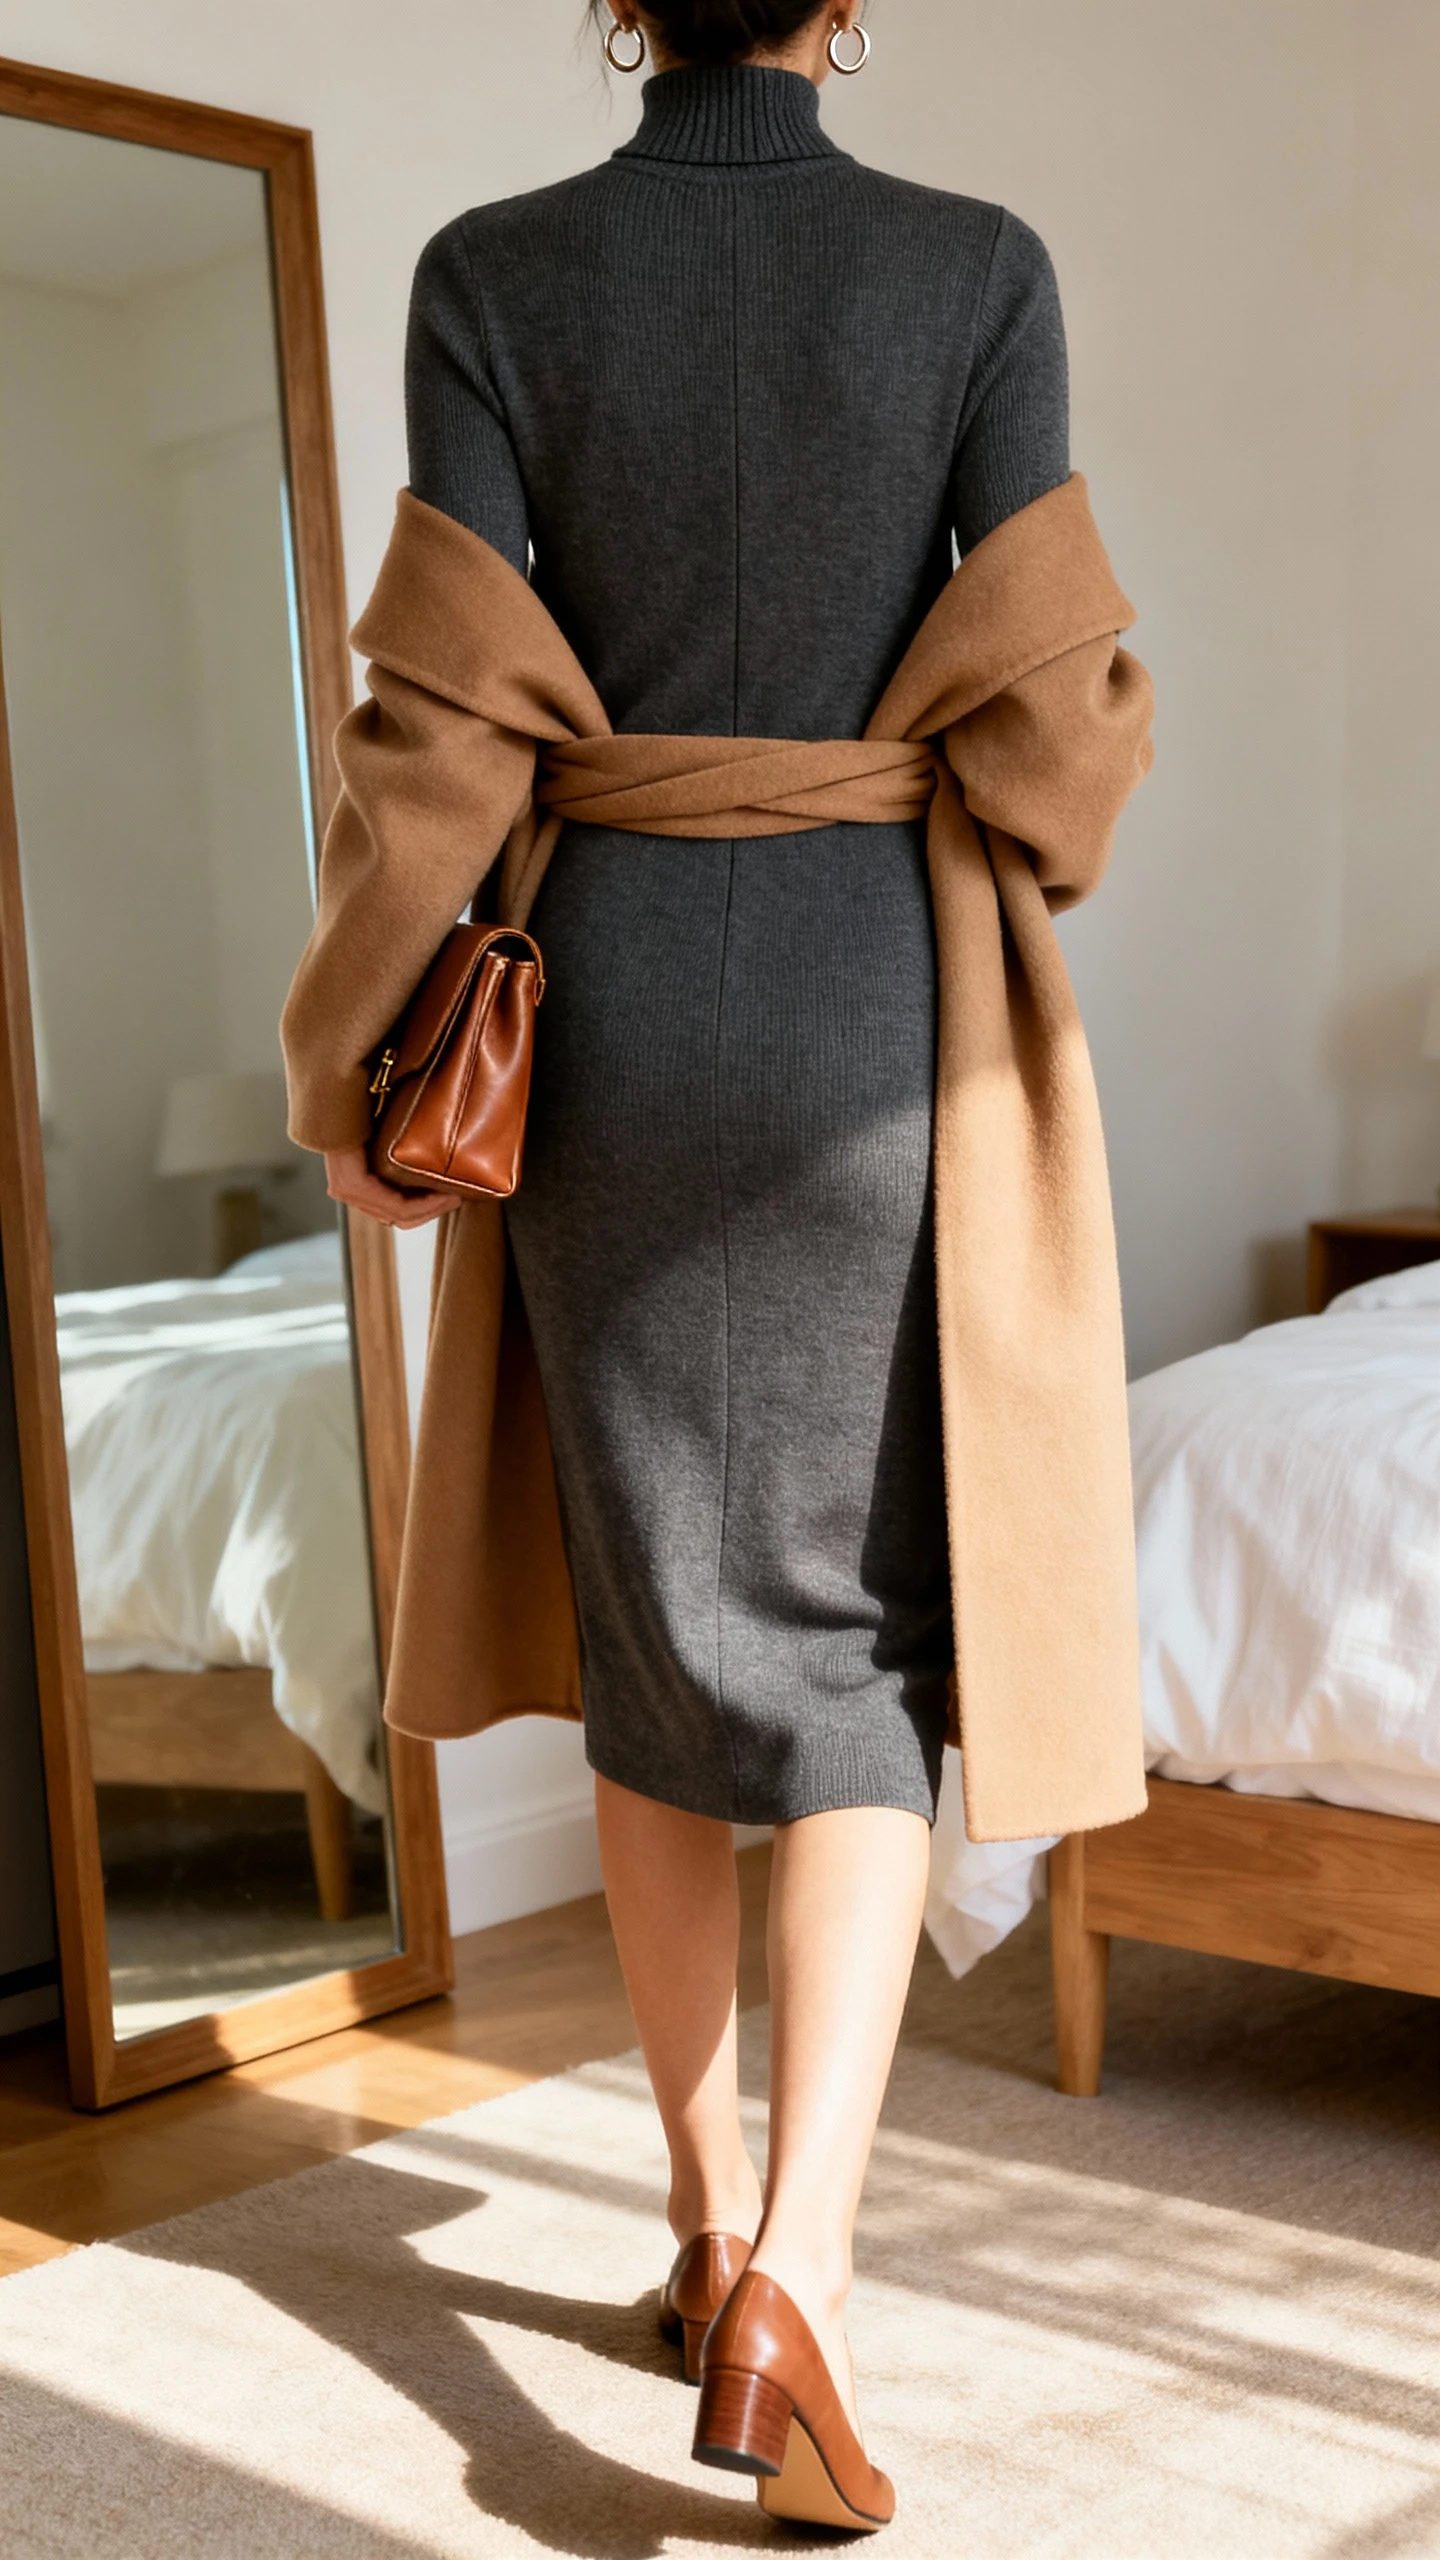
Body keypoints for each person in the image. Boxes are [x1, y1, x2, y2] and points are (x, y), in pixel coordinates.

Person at [288, 0, 1151, 2530]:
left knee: (663, 1627)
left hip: (614, 1010)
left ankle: (691, 2226)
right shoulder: (979, 272)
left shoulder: (491, 273)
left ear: (621, 4)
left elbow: (436, 730)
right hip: (886, 1003)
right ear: (847, 3)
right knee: (857, 1646)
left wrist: (357, 1058)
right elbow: (1063, 727)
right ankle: (800, 2273)